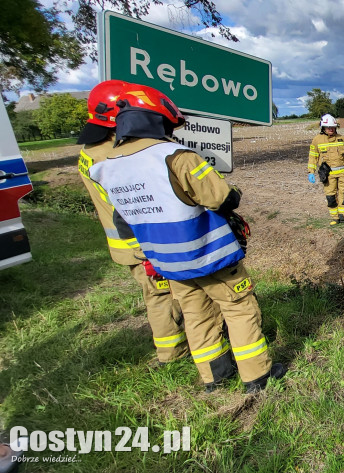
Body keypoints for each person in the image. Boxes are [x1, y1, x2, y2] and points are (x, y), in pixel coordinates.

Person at [88, 83, 284, 393]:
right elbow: (221, 198)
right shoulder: (174, 155)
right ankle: (256, 375)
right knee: (238, 307)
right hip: (208, 254)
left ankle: (215, 379)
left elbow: (123, 221)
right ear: (156, 120)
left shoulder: (107, 168)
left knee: (197, 316)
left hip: (165, 260)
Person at [76, 80, 190, 366]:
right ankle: (172, 353)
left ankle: (175, 347)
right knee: (164, 296)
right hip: (143, 243)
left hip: (127, 244)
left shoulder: (92, 151)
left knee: (159, 295)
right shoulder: (113, 156)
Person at [307, 114, 344, 224]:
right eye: (328, 127)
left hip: (343, 173)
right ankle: (335, 218)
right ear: (323, 128)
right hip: (328, 175)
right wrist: (311, 172)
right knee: (331, 196)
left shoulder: (341, 138)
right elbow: (312, 156)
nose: (331, 129)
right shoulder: (317, 140)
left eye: (333, 127)